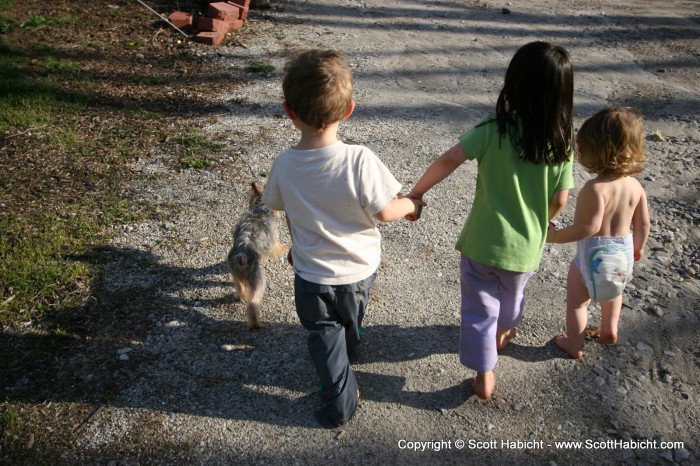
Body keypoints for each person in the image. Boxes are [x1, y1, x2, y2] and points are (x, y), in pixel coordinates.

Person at [262, 49, 424, 428]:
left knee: (322, 332)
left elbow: (278, 205)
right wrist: (413, 205)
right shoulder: (360, 159)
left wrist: (296, 247)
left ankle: (337, 380)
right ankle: (347, 360)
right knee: (351, 317)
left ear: (289, 112)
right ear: (349, 109)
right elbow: (386, 211)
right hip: (358, 270)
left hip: (311, 273)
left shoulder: (285, 164)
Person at [406, 41, 575, 399]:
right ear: (564, 94)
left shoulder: (493, 129)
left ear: (513, 82)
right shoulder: (561, 144)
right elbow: (560, 198)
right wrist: (543, 224)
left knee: (479, 309)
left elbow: (450, 159)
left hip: (482, 243)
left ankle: (484, 374)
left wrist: (416, 193)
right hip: (525, 248)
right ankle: (504, 332)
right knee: (512, 299)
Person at [547, 106, 650, 359]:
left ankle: (574, 344)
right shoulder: (635, 186)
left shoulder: (595, 189)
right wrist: (638, 247)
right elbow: (643, 224)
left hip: (591, 257)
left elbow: (588, 228)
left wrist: (555, 236)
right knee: (613, 291)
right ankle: (609, 329)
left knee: (577, 302)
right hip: (623, 254)